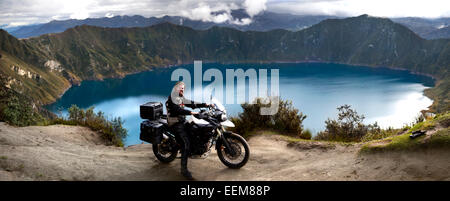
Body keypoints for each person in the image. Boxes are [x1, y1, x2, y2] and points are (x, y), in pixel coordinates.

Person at [166, 81, 208, 180]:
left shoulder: (180, 96)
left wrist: (204, 105)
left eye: (183, 88)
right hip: (175, 123)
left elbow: (190, 103)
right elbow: (178, 110)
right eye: (180, 87)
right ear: (176, 88)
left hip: (182, 121)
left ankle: (189, 149)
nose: (182, 89)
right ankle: (184, 170)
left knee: (194, 132)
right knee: (186, 144)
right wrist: (192, 113)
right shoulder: (172, 97)